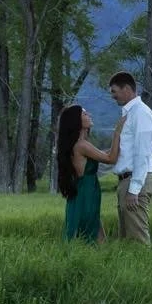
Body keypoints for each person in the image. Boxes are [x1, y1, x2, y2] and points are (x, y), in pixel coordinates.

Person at [56, 103, 124, 243]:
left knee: (93, 232)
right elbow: (110, 159)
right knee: (90, 234)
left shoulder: (80, 144)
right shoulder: (82, 145)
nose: (89, 115)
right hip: (86, 193)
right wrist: (117, 133)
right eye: (84, 114)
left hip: (85, 192)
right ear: (77, 121)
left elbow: (103, 154)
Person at [107, 71, 152, 244]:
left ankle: (145, 263)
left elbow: (142, 153)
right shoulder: (130, 113)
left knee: (138, 239)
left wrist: (134, 189)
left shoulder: (140, 113)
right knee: (127, 240)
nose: (113, 96)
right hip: (127, 181)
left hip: (135, 181)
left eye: (114, 91)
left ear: (127, 89)